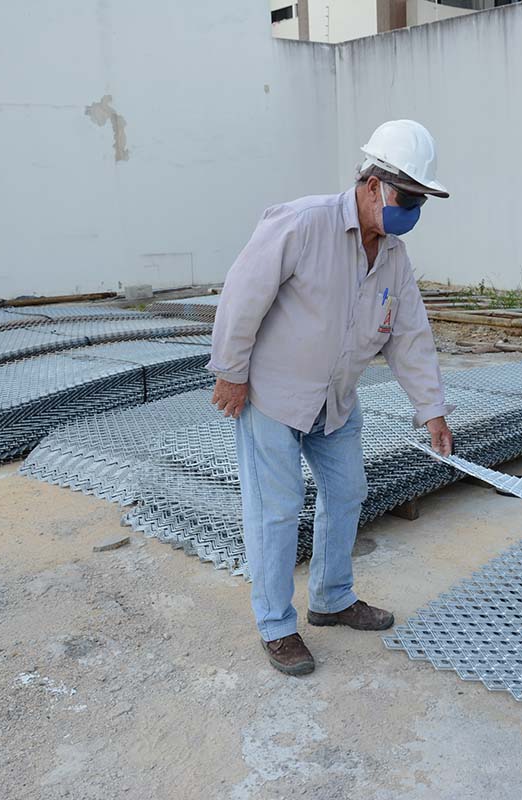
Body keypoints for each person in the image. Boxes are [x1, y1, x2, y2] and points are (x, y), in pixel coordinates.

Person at [207, 119, 455, 676]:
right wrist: (230, 371)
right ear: (373, 185)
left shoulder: (392, 256)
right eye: (408, 198)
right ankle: (276, 625)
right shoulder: (302, 223)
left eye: (421, 201)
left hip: (336, 402)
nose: (413, 211)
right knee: (277, 510)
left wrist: (432, 409)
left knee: (347, 491)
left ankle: (332, 598)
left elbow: (409, 336)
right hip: (273, 396)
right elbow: (243, 294)